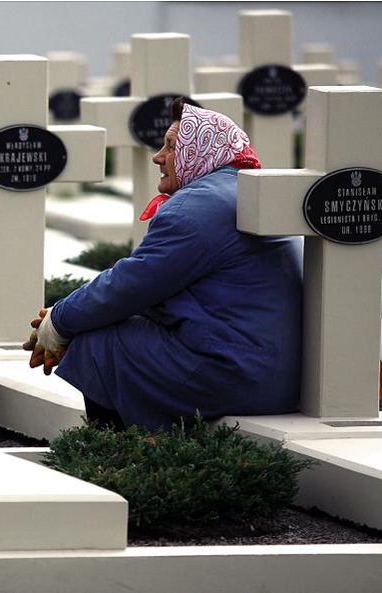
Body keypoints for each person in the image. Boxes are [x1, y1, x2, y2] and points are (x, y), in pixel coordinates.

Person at [24, 99, 303, 431]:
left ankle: (118, 456)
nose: (157, 156)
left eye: (171, 147)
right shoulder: (248, 193)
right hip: (274, 374)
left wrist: (59, 323)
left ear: (202, 151)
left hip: (233, 375)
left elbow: (129, 285)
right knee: (105, 324)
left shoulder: (199, 205)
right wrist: (62, 318)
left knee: (97, 341)